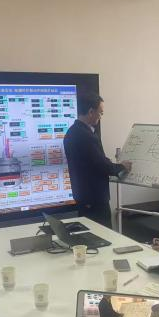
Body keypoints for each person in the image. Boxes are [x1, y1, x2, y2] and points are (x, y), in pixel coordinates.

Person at [63, 93, 131, 228]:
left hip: (83, 197)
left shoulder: (71, 132)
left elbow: (91, 160)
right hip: (95, 199)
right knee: (103, 235)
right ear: (90, 112)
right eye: (100, 113)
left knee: (87, 234)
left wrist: (107, 161)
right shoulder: (86, 136)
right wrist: (121, 166)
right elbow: (101, 165)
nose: (101, 117)